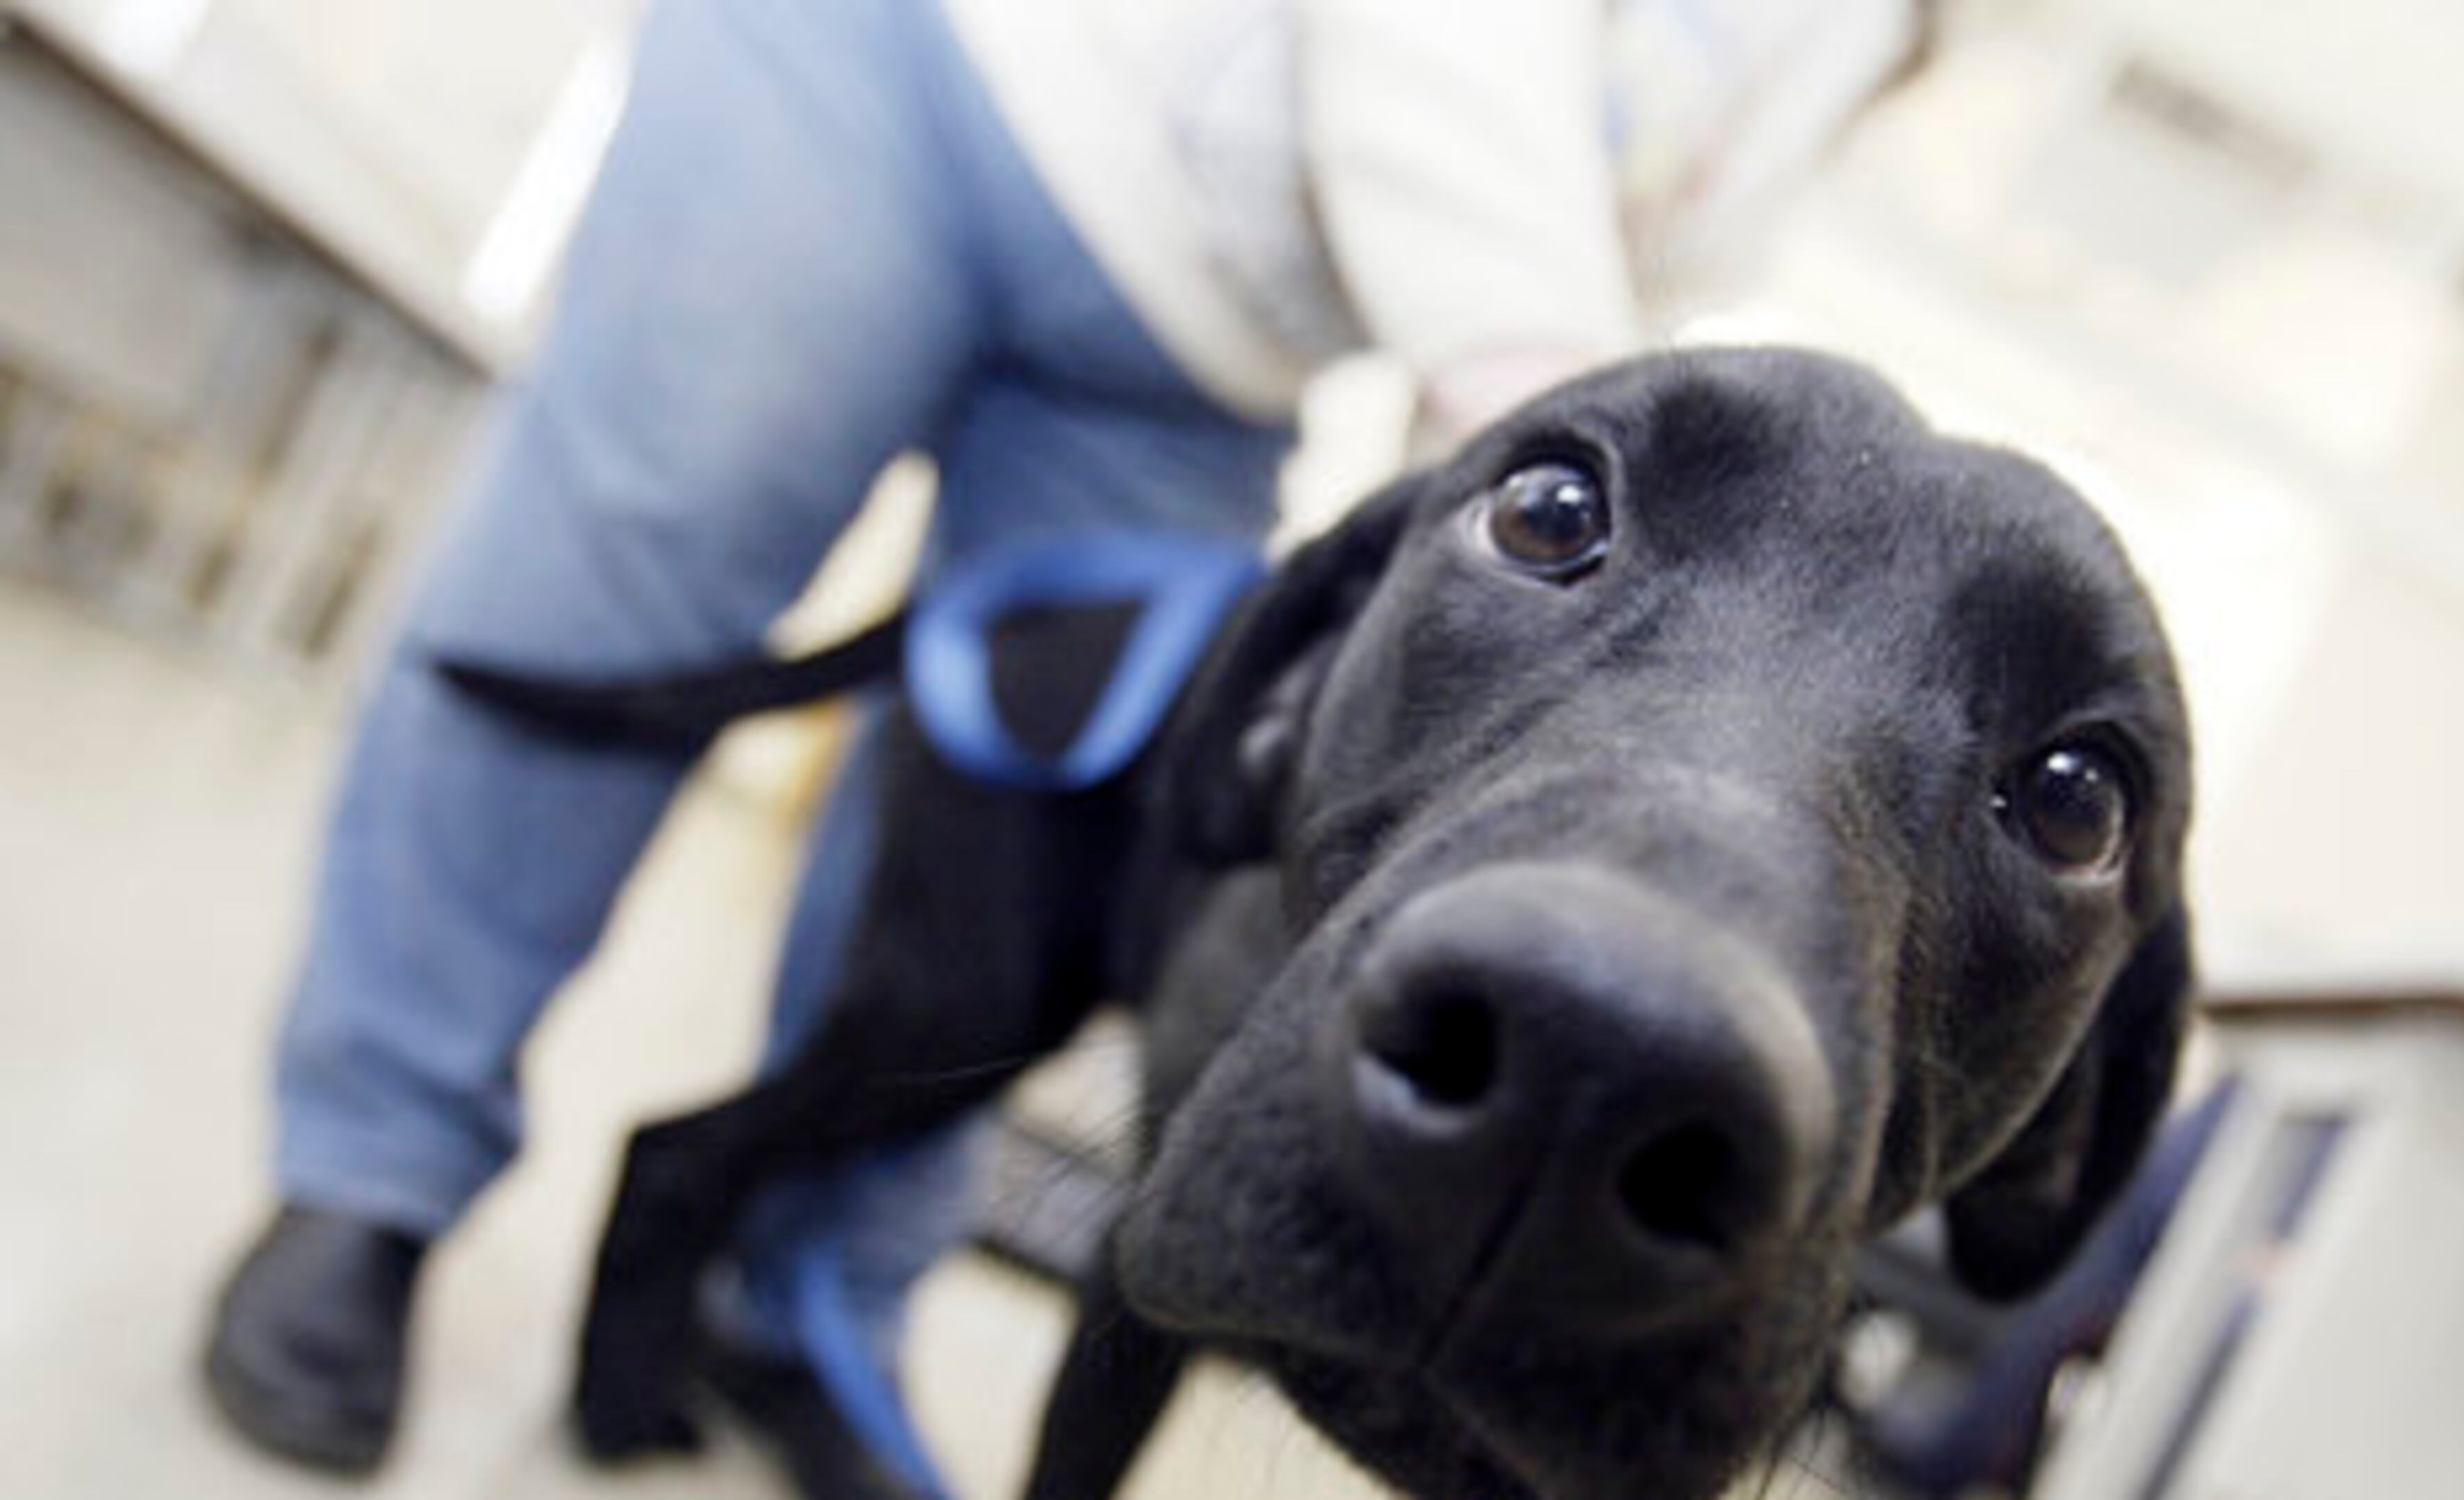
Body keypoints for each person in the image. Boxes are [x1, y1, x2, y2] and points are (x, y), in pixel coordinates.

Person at [199, 2, 1923, 1497]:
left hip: (1216, 341)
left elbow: (1620, 285)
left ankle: (799, 1305)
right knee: (628, 567)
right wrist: (1555, 488)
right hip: (926, 51)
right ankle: (372, 1176)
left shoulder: (1879, 38)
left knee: (993, 904)